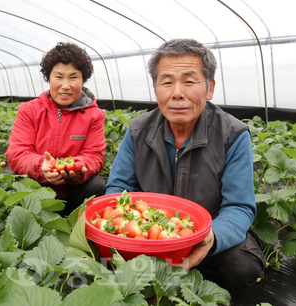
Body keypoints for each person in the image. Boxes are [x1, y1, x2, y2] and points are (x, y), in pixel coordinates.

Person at [105, 38, 265, 296]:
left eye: (189, 81)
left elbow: (239, 206)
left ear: (210, 88)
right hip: (147, 237)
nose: (177, 93)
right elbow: (119, 188)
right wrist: (130, 232)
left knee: (241, 268)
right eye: (167, 82)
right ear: (156, 87)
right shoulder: (137, 131)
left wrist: (210, 237)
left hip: (205, 236)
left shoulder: (232, 135)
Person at [5, 42, 106, 216]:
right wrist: (41, 168)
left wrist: (75, 169)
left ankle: (74, 223)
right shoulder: (29, 110)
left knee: (97, 185)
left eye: (73, 77)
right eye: (59, 77)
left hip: (71, 191)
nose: (65, 85)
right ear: (49, 78)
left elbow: (94, 155)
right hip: (35, 191)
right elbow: (17, 153)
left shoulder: (94, 115)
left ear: (82, 80)